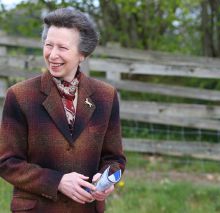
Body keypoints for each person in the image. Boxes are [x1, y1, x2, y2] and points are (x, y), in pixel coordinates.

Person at [0, 8, 126, 212]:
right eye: (49, 45)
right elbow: (7, 162)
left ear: (82, 54)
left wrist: (107, 179)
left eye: (63, 48)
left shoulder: (106, 96)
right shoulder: (20, 95)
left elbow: (115, 159)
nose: (53, 54)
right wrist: (56, 181)